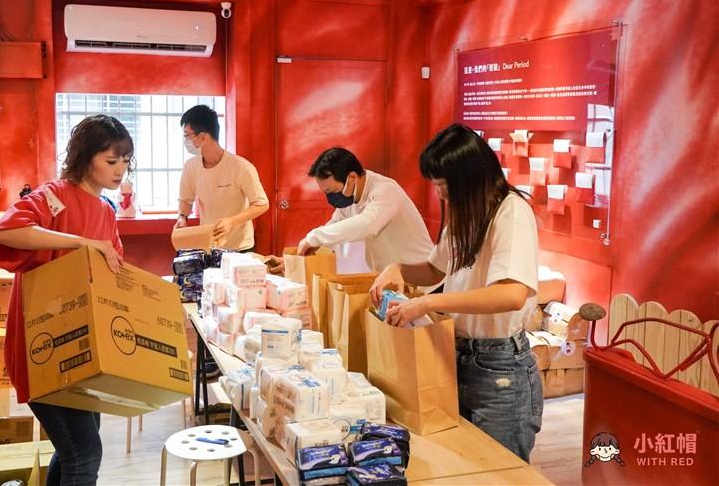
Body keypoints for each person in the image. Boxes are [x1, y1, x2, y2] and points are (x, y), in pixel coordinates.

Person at [369, 124, 543, 462]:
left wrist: (428, 302)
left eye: (443, 186)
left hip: (500, 370)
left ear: (470, 178)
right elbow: (436, 269)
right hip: (459, 355)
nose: (440, 195)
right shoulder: (467, 212)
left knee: (499, 473)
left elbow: (511, 295)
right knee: (461, 464)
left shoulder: (511, 213)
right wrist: (399, 269)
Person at [0, 115, 133, 485]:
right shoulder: (55, 197)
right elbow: (7, 233)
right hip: (45, 349)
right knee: (85, 455)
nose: (121, 170)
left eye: (125, 161)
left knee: (73, 451)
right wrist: (82, 243)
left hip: (84, 351)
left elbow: (112, 275)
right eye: (111, 161)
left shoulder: (106, 211)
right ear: (86, 158)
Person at [295, 147, 434, 272]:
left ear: (352, 178)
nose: (331, 197)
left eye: (333, 190)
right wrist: (298, 259)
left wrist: (315, 237)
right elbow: (335, 226)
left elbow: (367, 224)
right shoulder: (350, 196)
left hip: (425, 281)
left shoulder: (385, 190)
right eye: (326, 192)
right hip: (395, 281)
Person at [175, 105, 269, 251]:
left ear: (203, 137)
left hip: (240, 247)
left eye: (188, 135)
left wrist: (232, 221)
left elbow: (262, 204)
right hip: (209, 245)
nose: (185, 141)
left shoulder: (241, 167)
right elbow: (186, 199)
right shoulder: (191, 166)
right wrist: (182, 217)